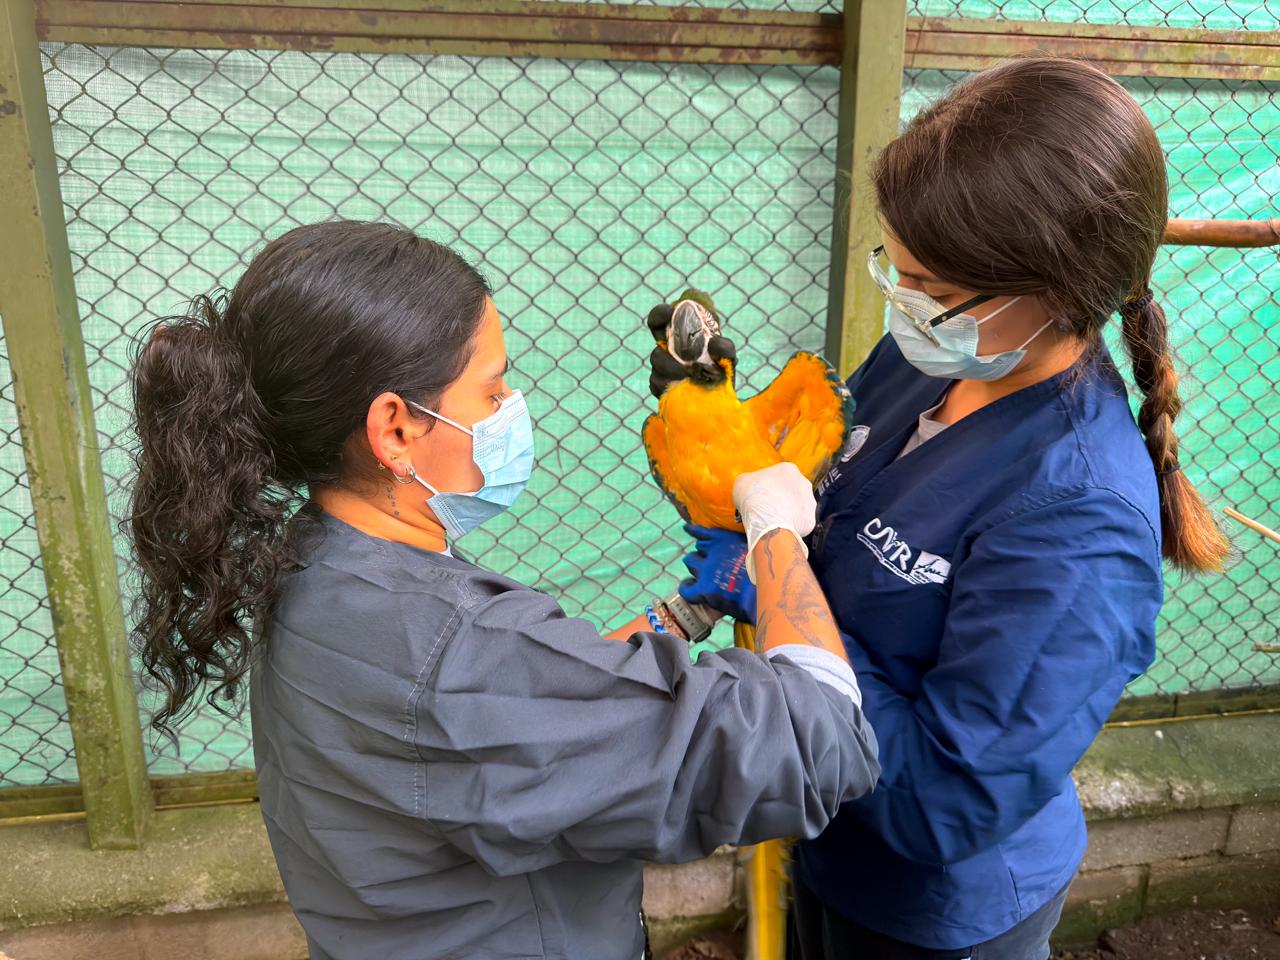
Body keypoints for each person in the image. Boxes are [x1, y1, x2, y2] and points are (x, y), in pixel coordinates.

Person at [124, 219, 879, 960]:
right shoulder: (453, 643)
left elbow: (531, 712)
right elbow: (819, 742)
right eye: (491, 391)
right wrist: (778, 537)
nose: (512, 403)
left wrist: (683, 613)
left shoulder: (311, 566)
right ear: (394, 429)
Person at [655, 57, 1229, 960]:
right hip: (826, 837)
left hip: (930, 913)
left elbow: (943, 801)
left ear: (1054, 291)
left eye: (933, 288)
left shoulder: (1077, 519)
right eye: (898, 268)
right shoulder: (936, 360)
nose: (904, 303)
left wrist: (780, 588)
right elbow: (828, 501)